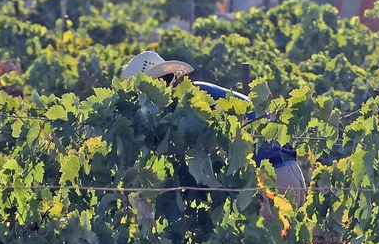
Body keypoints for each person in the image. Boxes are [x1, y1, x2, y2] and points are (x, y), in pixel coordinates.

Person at [120, 50, 307, 203]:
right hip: (282, 173)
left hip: (272, 179)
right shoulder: (196, 94)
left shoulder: (194, 100)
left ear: (160, 83)